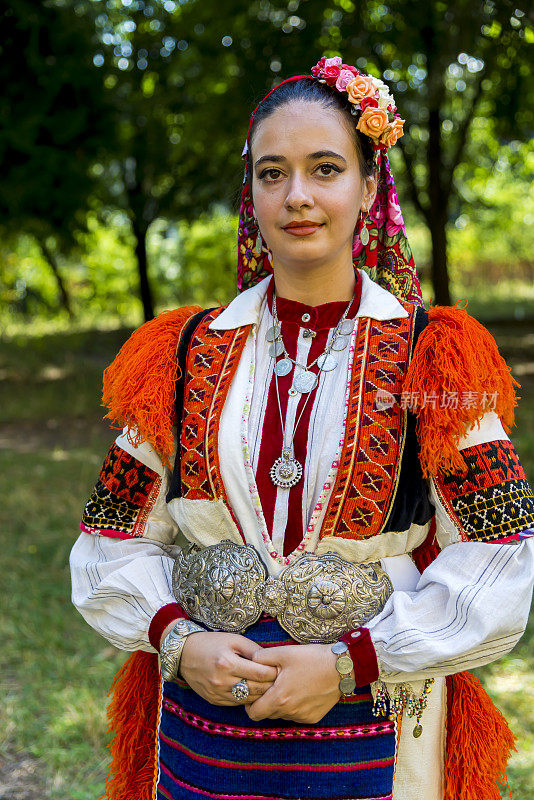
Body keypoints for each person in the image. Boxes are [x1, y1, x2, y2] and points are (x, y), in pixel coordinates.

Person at [70, 56, 534, 800]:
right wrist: (179, 642)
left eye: (325, 168)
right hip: (206, 717)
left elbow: (502, 554)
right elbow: (109, 536)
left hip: (376, 706)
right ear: (250, 193)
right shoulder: (181, 354)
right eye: (271, 173)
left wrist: (351, 663)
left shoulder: (436, 354)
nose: (298, 197)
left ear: (369, 186)